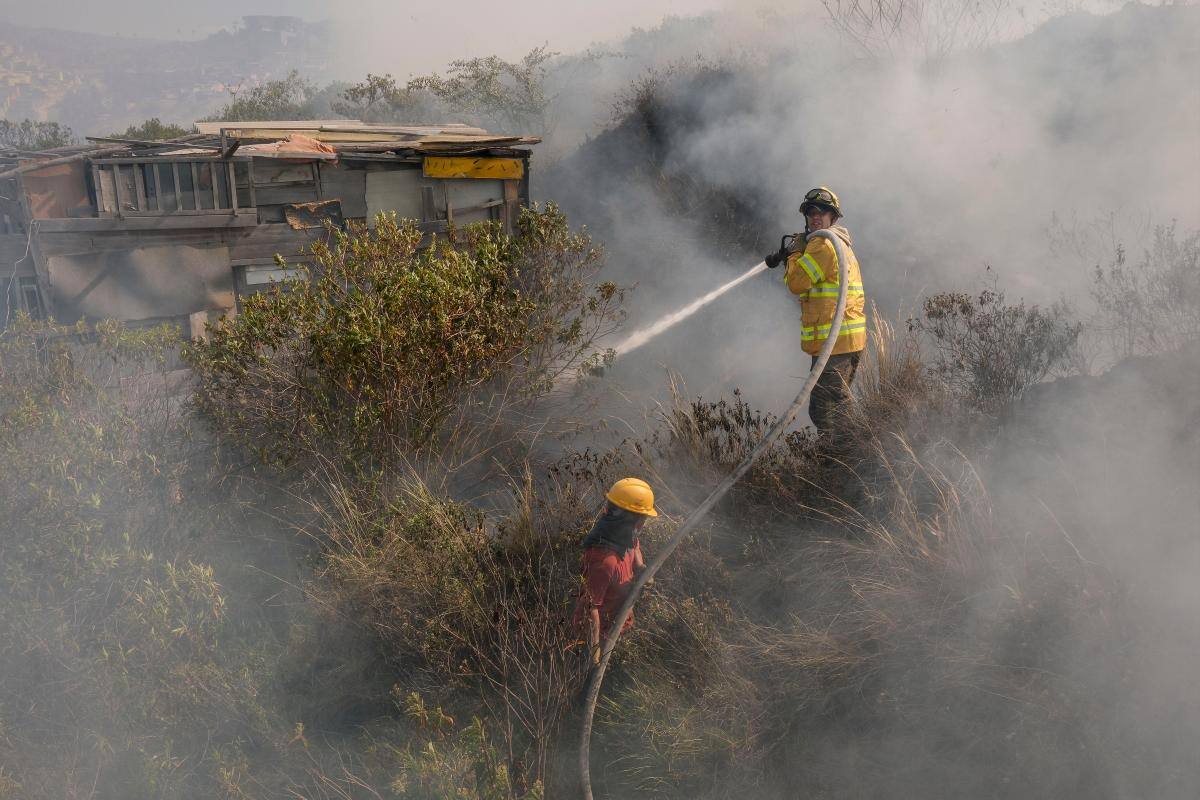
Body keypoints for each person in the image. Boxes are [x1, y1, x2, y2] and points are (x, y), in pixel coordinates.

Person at [765, 186, 867, 433]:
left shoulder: (823, 244)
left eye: (822, 212)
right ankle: (844, 451)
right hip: (843, 340)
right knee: (833, 406)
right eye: (811, 212)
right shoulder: (839, 242)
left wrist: (794, 254)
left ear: (833, 217)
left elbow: (797, 283)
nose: (816, 217)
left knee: (826, 409)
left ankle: (844, 453)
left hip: (836, 342)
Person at [572, 477, 657, 666]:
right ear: (633, 520)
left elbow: (635, 545)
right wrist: (594, 649)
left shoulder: (624, 534)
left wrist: (640, 567)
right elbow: (590, 607)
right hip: (600, 635)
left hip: (618, 623)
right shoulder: (604, 561)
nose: (644, 523)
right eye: (643, 519)